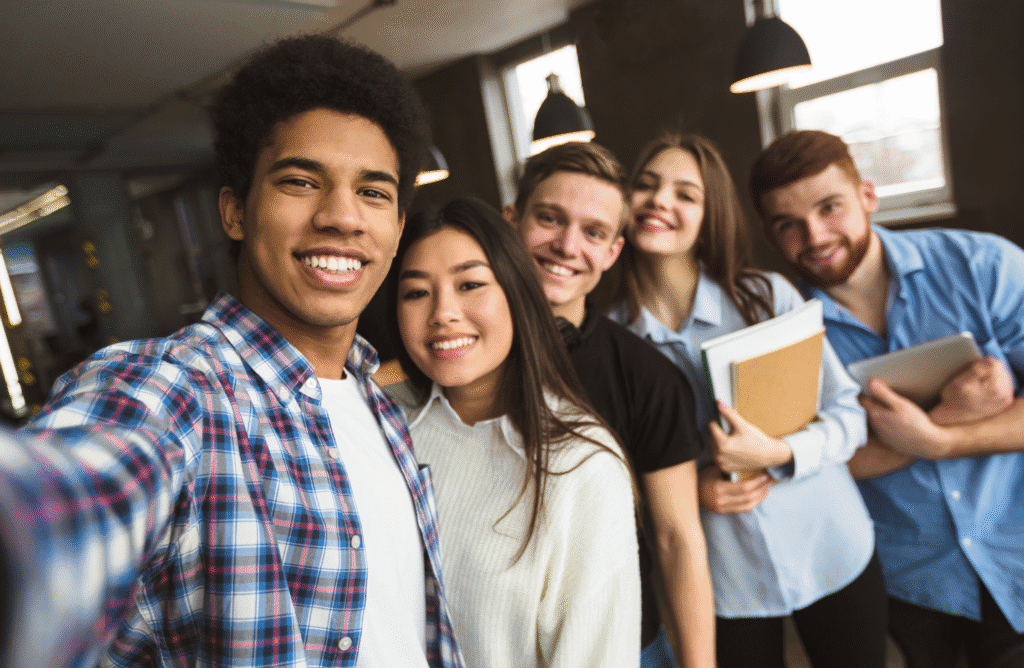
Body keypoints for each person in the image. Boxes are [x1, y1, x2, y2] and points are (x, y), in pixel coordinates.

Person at [0, 35, 465, 668]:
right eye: (301, 181)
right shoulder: (176, 389)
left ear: (397, 228)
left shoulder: (378, 404)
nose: (342, 217)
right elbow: (66, 501)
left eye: (374, 192)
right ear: (236, 211)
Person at [610, 132, 888, 668]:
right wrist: (691, 490)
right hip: (724, 583)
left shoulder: (768, 297)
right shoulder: (609, 341)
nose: (661, 201)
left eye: (686, 194)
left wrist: (782, 453)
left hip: (832, 547)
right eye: (646, 186)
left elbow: (848, 415)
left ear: (709, 215)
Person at [750, 129, 1024, 668]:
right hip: (909, 580)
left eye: (831, 208)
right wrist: (947, 421)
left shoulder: (986, 267)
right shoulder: (785, 334)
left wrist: (942, 440)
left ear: (868, 196)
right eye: (789, 225)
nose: (816, 235)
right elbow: (812, 464)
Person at [385, 197, 640, 668]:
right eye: (416, 292)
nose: (443, 312)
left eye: (470, 284)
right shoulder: (383, 428)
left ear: (517, 293)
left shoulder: (581, 465)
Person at [502, 142, 714, 668]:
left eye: (594, 232)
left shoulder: (648, 377)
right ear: (510, 221)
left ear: (614, 251)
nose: (567, 245)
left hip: (623, 647)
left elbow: (677, 540)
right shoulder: (455, 349)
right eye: (549, 219)